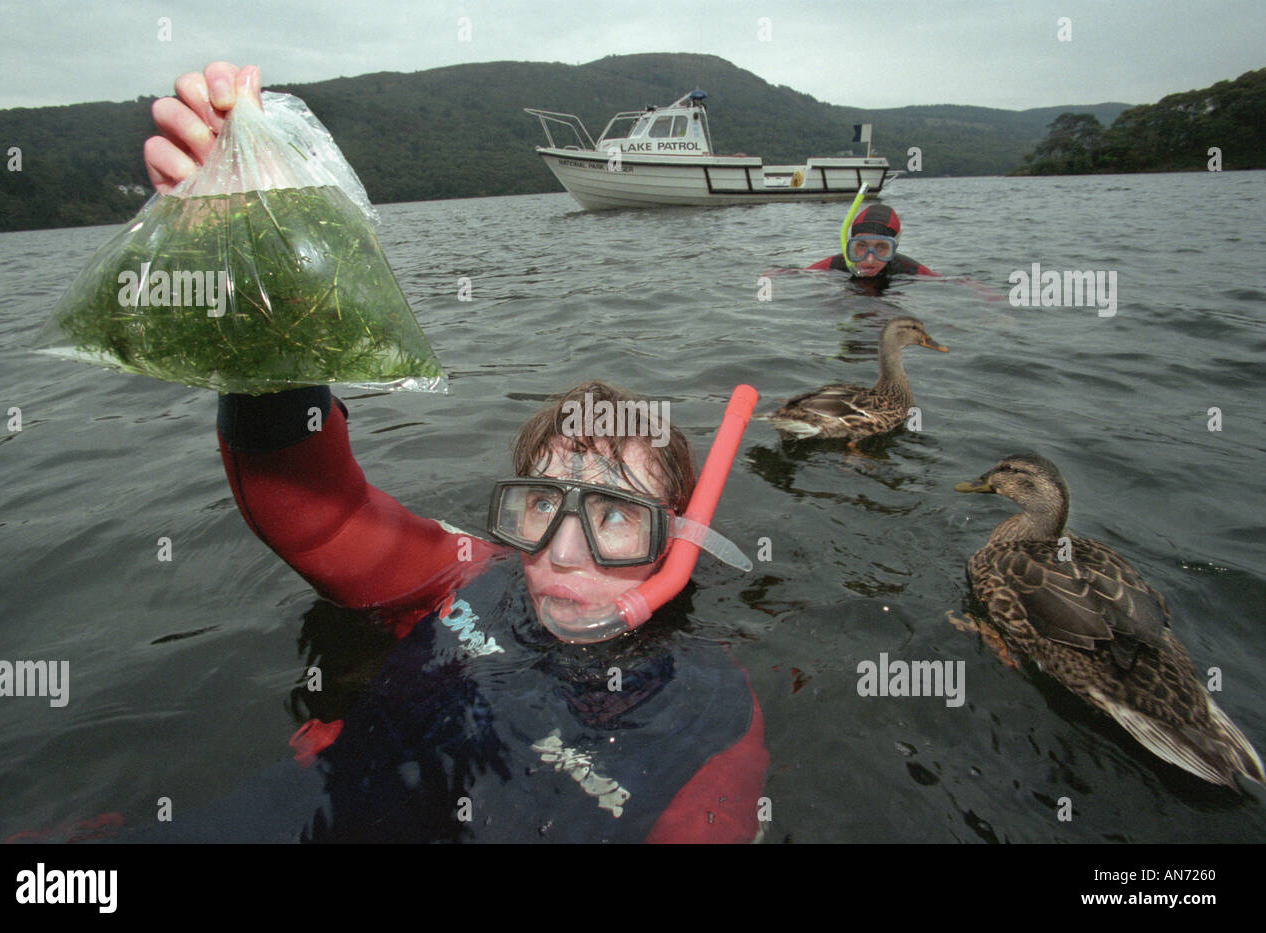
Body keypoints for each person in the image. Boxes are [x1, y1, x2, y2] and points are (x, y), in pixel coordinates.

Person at [139, 62, 768, 843]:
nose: (564, 549)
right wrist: (262, 271)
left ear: (672, 538)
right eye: (542, 504)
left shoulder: (708, 705)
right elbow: (308, 512)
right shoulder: (468, 576)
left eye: (612, 516)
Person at [806, 203, 938, 280]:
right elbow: (795, 274)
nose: (869, 259)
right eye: (861, 246)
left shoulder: (908, 269)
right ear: (850, 246)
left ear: (894, 248)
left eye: (881, 247)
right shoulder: (835, 265)